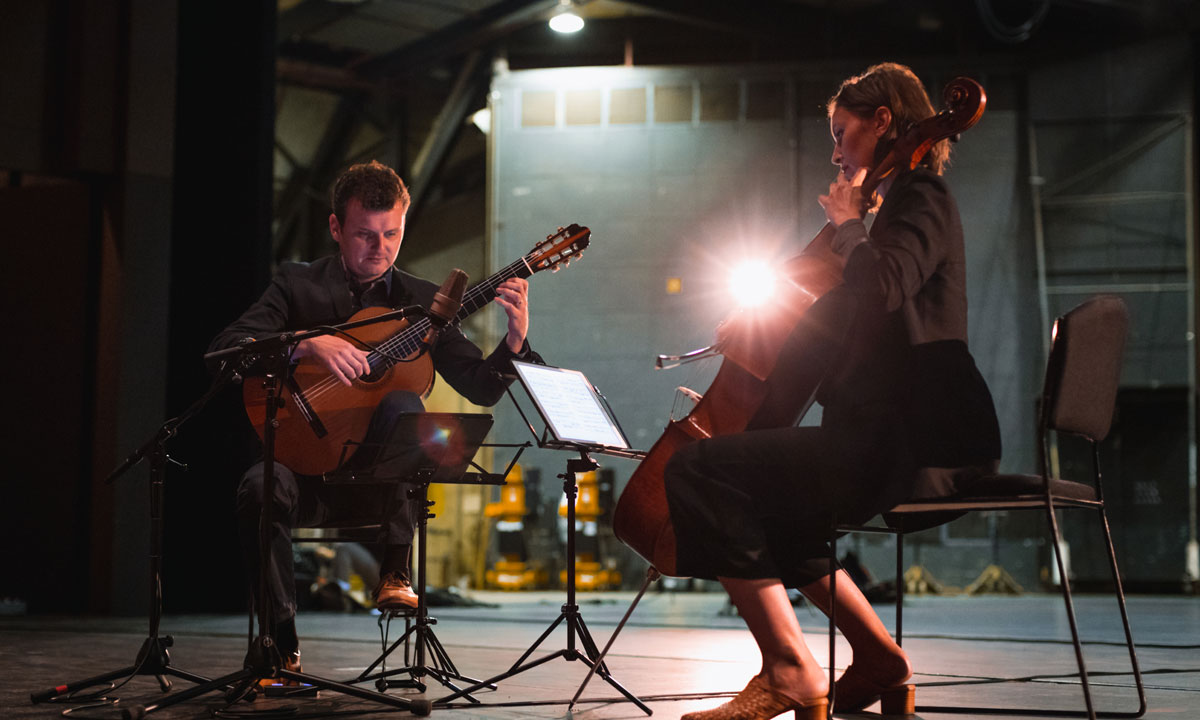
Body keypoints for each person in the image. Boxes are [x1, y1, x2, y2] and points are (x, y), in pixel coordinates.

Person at [664, 63, 1001, 720]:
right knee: (782, 514)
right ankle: (879, 657)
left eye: (844, 133)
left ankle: (788, 669)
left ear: (884, 122)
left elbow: (882, 287)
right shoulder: (892, 215)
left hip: (906, 438)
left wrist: (849, 224)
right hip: (873, 431)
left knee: (697, 470)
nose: (836, 151)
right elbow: (844, 320)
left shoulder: (922, 198)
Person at [208, 160, 538, 677]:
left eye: (392, 234)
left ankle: (394, 571)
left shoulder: (428, 304)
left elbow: (480, 387)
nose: (379, 247)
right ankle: (280, 641)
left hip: (381, 488)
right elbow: (227, 351)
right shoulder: (298, 285)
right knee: (257, 488)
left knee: (406, 405)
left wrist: (514, 344)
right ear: (336, 227)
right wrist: (306, 345)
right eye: (364, 234)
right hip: (306, 473)